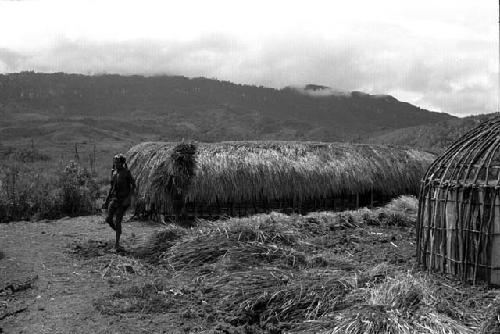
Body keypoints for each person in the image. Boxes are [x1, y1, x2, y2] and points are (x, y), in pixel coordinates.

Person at [103, 154, 136, 252]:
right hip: (114, 198)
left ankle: (117, 245)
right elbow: (112, 187)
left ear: (122, 163)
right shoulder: (113, 172)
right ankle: (118, 231)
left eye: (118, 162)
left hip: (123, 200)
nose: (116, 163)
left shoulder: (126, 173)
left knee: (118, 221)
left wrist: (128, 198)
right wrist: (107, 200)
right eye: (115, 162)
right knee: (108, 219)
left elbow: (133, 185)